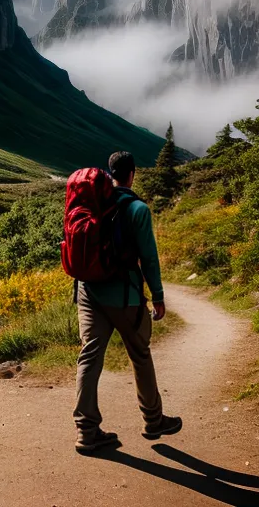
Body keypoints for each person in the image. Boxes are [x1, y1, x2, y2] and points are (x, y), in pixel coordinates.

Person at [73, 150, 182, 454]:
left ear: (109, 173)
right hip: (123, 295)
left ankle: (86, 431)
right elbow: (148, 258)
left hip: (87, 291)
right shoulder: (137, 209)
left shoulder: (91, 203)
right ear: (132, 173)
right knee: (140, 354)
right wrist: (158, 297)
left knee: (89, 356)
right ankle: (153, 420)